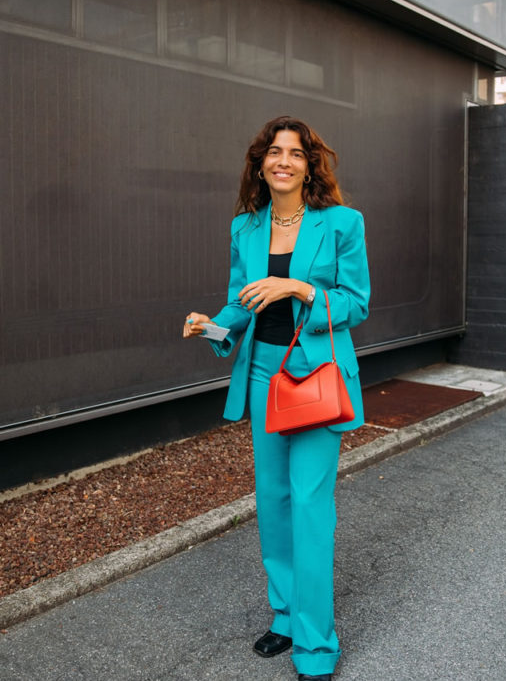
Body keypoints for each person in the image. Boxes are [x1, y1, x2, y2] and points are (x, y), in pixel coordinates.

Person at [183, 116, 370, 680]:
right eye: (274, 152)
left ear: (309, 166)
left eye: (295, 153)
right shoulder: (245, 227)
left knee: (310, 506)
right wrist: (212, 326)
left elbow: (356, 302)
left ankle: (316, 646)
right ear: (260, 164)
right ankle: (286, 615)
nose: (283, 161)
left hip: (317, 376)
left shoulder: (342, 223)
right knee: (273, 502)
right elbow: (241, 302)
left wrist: (300, 287)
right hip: (264, 374)